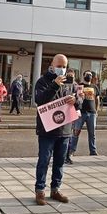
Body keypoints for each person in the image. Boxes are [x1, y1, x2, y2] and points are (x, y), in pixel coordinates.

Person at [34, 55, 81, 205]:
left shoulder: (70, 82)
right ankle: (40, 191)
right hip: (47, 131)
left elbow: (79, 100)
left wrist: (77, 101)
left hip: (65, 129)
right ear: (52, 66)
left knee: (60, 161)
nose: (62, 69)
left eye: (65, 66)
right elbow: (40, 100)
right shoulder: (42, 81)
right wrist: (54, 84)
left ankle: (55, 189)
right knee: (44, 161)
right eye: (59, 65)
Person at [69, 70, 100, 157]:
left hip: (92, 113)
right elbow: (75, 98)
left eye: (90, 75)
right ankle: (72, 150)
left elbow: (97, 99)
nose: (89, 76)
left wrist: (96, 111)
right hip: (81, 112)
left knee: (92, 133)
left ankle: (93, 151)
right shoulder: (79, 86)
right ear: (83, 75)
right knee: (76, 132)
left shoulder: (95, 87)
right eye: (87, 74)